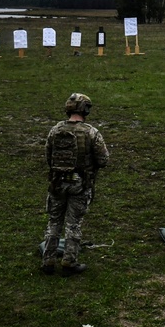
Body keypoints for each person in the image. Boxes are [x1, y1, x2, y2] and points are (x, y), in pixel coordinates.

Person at [40, 93, 109, 276]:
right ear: (85, 109)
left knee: (53, 222)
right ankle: (69, 261)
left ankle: (48, 260)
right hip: (80, 184)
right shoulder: (91, 132)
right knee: (73, 224)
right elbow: (103, 160)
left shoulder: (55, 130)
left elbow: (48, 156)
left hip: (57, 183)